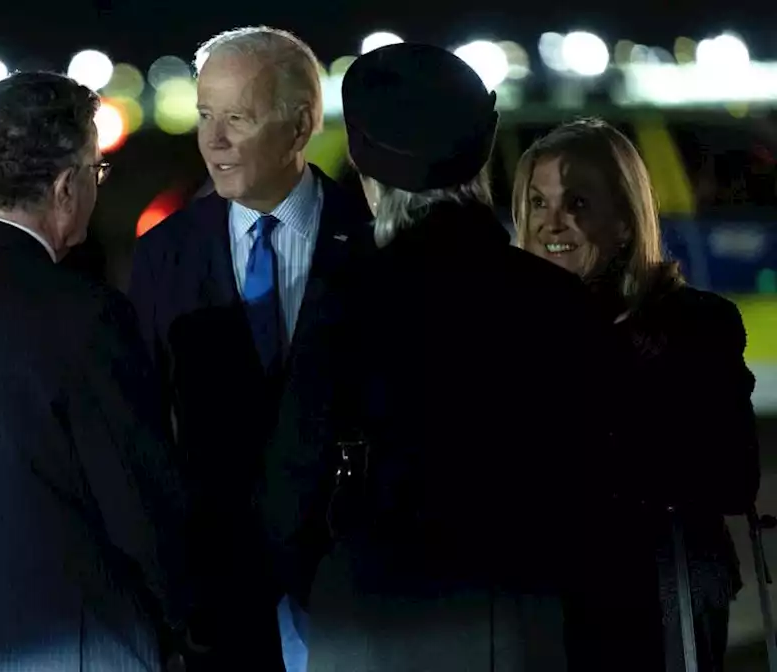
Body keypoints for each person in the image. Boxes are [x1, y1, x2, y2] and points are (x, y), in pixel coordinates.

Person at [258, 43, 618, 671]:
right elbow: (598, 491)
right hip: (517, 621)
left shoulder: (346, 304)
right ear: (481, 168)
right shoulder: (558, 302)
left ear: (371, 182)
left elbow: (291, 492)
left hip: (371, 618)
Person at [0, 71, 192, 671]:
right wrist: (187, 623)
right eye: (97, 172)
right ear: (66, 186)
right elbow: (139, 506)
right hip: (77, 646)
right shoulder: (86, 314)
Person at [127, 25, 373, 671]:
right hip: (222, 603)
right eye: (205, 115)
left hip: (356, 592)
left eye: (236, 118)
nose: (213, 141)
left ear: (299, 127)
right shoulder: (162, 255)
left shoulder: (375, 244)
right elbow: (145, 431)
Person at [513, 118, 760, 671]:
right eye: (536, 202)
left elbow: (733, 477)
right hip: (539, 598)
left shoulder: (696, 324)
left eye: (577, 202)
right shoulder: (502, 329)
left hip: (659, 591)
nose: (554, 222)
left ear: (625, 221)